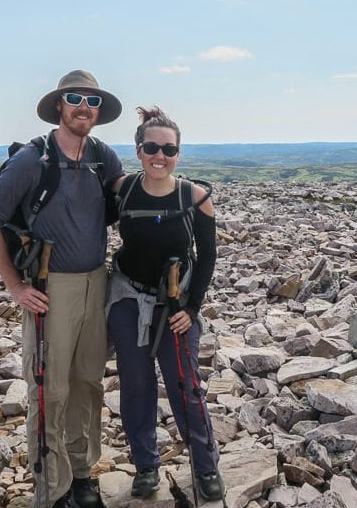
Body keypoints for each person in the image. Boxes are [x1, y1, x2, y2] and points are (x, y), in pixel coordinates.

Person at [0, 69, 124, 508]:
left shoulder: (103, 157)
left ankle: (82, 477)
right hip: (49, 288)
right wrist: (15, 285)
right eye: (75, 98)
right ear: (60, 105)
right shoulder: (33, 159)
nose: (84, 106)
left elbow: (130, 199)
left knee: (88, 384)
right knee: (49, 389)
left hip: (96, 282)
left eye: (92, 100)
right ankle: (53, 489)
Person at [105, 107, 223, 501]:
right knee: (136, 386)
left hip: (176, 305)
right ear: (138, 149)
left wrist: (192, 309)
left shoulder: (195, 197)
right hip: (128, 300)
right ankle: (146, 467)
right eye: (151, 146)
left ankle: (205, 467)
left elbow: (207, 257)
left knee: (185, 385)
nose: (160, 155)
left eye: (168, 149)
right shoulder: (123, 190)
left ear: (178, 153)